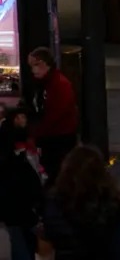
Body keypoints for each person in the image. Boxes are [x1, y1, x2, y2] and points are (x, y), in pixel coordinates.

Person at [0, 104, 45, 260]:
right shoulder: (10, 147)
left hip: (20, 202)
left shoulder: (25, 143)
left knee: (23, 242)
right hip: (15, 202)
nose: (23, 121)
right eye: (19, 117)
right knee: (21, 242)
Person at [28, 47, 79, 183]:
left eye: (37, 65)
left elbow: (55, 115)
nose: (34, 70)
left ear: (47, 64)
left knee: (58, 175)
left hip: (59, 139)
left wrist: (36, 133)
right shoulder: (43, 84)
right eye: (31, 66)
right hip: (51, 137)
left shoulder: (60, 85)